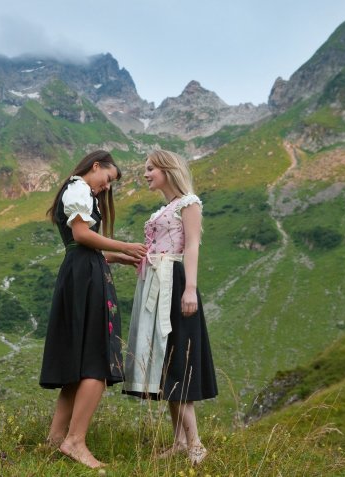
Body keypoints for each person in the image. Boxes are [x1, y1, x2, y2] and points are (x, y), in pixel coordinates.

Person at [39, 150, 148, 469]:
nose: (107, 187)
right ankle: (75, 441)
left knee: (80, 363)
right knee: (96, 363)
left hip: (81, 273)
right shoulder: (78, 189)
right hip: (86, 279)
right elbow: (81, 235)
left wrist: (120, 258)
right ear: (96, 166)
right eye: (109, 178)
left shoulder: (77, 191)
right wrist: (125, 246)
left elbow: (82, 247)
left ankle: (56, 440)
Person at [122, 149, 218, 465]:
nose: (146, 174)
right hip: (157, 283)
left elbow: (191, 246)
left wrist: (189, 289)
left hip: (175, 283)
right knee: (165, 360)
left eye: (151, 168)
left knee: (177, 360)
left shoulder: (189, 203)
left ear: (167, 169)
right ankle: (178, 441)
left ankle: (196, 444)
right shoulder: (167, 208)